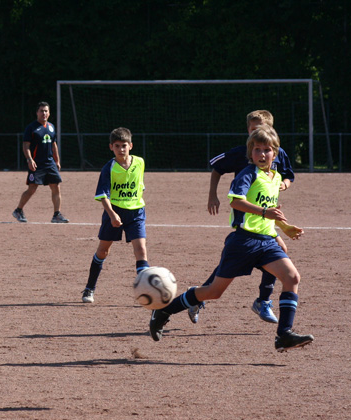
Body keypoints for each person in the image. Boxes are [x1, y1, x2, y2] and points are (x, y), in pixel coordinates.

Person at [149, 126, 313, 353]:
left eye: (267, 150)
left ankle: (284, 334)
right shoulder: (248, 173)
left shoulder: (275, 178)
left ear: (275, 154)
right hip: (243, 242)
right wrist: (266, 213)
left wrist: (284, 227)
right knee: (214, 292)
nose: (262, 154)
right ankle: (165, 310)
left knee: (292, 277)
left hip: (266, 241)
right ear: (250, 152)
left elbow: (268, 210)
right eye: (257, 150)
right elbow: (236, 202)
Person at [191, 109, 296, 324]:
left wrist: (283, 184)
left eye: (259, 129)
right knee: (230, 263)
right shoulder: (243, 153)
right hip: (247, 215)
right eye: (251, 129)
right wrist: (212, 195)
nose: (255, 133)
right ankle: (198, 297)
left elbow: (288, 176)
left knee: (278, 252)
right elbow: (217, 167)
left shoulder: (277, 152)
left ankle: (263, 301)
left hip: (267, 216)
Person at [81, 127, 149, 304]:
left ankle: (146, 293)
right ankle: (89, 288)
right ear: (111, 147)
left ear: (131, 146)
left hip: (136, 212)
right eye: (117, 146)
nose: (121, 149)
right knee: (103, 251)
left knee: (141, 250)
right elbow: (102, 195)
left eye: (124, 145)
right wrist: (112, 215)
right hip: (114, 212)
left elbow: (140, 185)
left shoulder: (140, 163)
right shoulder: (108, 168)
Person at [12, 101, 68, 223]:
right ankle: (18, 210)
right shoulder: (31, 128)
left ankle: (56, 214)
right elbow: (26, 146)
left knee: (56, 187)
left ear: (49, 113)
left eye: (46, 111)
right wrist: (29, 159)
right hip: (36, 164)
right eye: (41, 111)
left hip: (50, 163)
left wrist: (57, 160)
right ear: (37, 113)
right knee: (32, 188)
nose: (44, 113)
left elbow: (54, 145)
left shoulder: (51, 127)